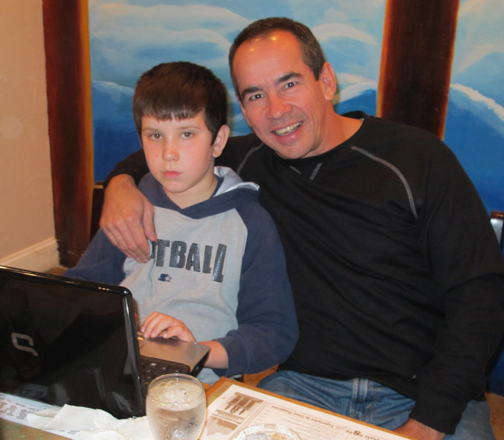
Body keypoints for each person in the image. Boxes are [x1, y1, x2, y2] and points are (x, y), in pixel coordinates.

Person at [99, 18, 504, 440]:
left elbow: (480, 295)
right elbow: (170, 149)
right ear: (243, 110)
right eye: (256, 95)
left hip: (423, 393)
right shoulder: (250, 159)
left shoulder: (416, 159)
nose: (276, 110)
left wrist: (430, 421)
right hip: (306, 386)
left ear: (325, 81)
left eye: (289, 84)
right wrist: (120, 184)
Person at [65, 61, 298, 385]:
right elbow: (80, 291)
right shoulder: (131, 209)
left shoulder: (250, 223)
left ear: (218, 141)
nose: (169, 153)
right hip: (119, 372)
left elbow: (273, 334)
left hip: (200, 386)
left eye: (187, 134)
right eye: (155, 135)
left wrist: (197, 351)